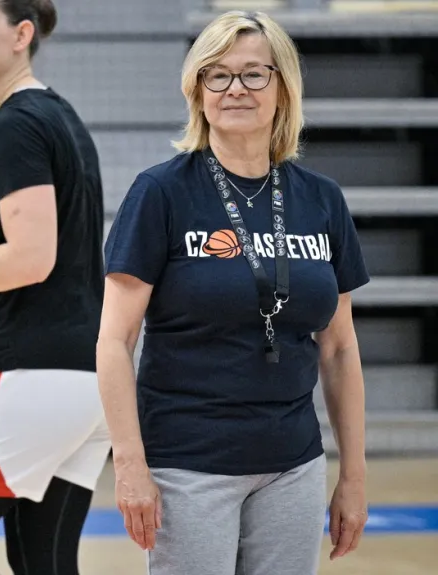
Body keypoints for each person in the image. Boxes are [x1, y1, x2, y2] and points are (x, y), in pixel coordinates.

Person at [96, 10, 370, 575]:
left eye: (253, 74)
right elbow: (114, 341)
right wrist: (129, 465)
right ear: (197, 90)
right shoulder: (160, 193)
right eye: (216, 75)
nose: (234, 89)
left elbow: (340, 348)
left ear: (283, 86)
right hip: (189, 463)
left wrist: (354, 476)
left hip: (292, 463)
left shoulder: (321, 199)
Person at [0, 1, 110, 574]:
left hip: (27, 373)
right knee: (46, 564)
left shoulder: (15, 125)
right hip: (89, 378)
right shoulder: (59, 116)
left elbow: (32, 257)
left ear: (21, 34)